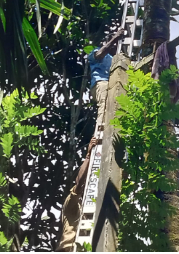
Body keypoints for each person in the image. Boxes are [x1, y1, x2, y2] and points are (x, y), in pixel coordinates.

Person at [56, 29, 125, 251]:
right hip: (102, 85)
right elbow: (78, 184)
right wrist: (115, 38)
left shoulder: (118, 60)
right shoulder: (97, 53)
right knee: (106, 100)